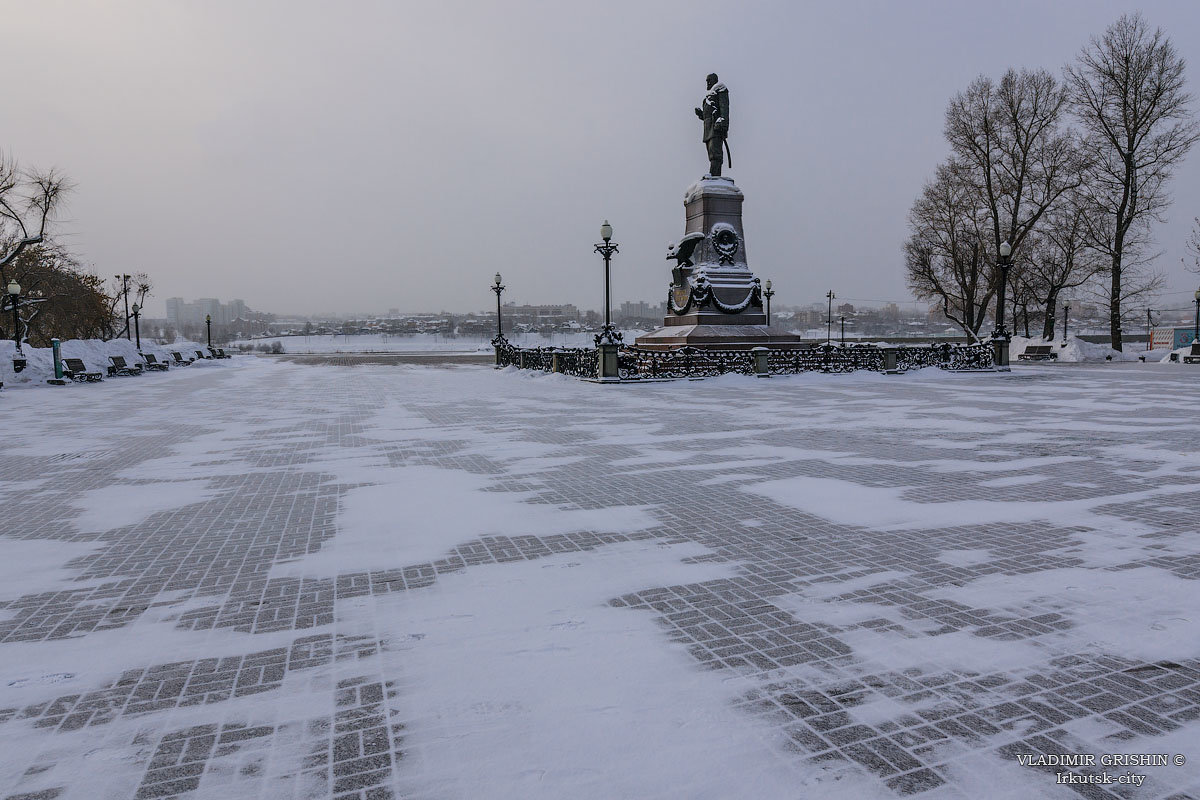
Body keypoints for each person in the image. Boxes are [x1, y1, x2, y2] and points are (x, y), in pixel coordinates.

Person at [694, 73, 730, 176]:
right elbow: (707, 116)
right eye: (706, 80)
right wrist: (701, 114)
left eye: (709, 80)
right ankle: (714, 175)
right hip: (708, 129)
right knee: (711, 155)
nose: (707, 82)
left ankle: (714, 176)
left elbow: (724, 107)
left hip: (716, 127)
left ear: (715, 80)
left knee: (716, 155)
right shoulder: (707, 98)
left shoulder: (720, 89)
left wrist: (723, 123)